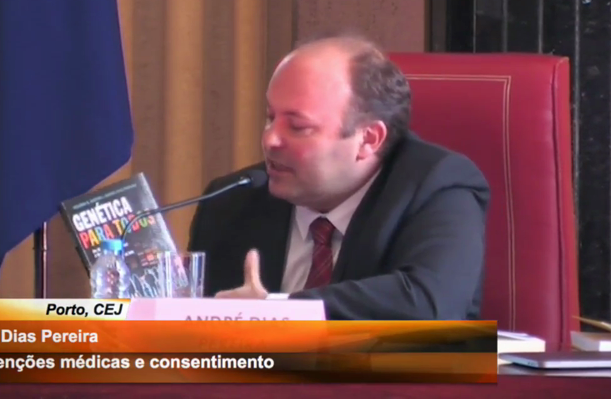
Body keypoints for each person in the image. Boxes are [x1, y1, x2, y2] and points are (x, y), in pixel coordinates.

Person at [187, 34, 489, 320]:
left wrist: (275, 311)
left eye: (298, 127)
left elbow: (429, 303)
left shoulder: (436, 187)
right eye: (270, 118)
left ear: (368, 139)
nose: (269, 140)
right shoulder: (231, 201)